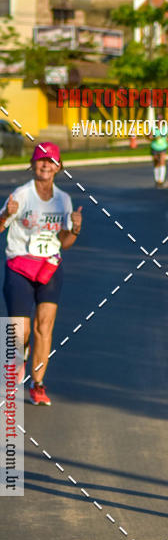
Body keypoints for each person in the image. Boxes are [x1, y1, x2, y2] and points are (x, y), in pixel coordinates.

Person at [1, 142, 82, 405]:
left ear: (59, 167)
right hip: (19, 266)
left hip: (49, 267)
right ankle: (20, 353)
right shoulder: (21, 195)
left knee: (43, 327)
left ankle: (38, 386)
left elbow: (65, 242)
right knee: (19, 332)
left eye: (51, 161)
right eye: (41, 160)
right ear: (33, 165)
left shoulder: (63, 200)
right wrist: (5, 214)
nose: (46, 165)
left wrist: (75, 230)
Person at [149, 115, 168, 187]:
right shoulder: (153, 128)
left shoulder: (166, 128)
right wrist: (153, 138)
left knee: (162, 161)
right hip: (154, 147)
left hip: (163, 147)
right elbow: (149, 137)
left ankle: (161, 180)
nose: (159, 122)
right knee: (156, 162)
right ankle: (157, 180)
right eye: (158, 120)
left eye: (160, 120)